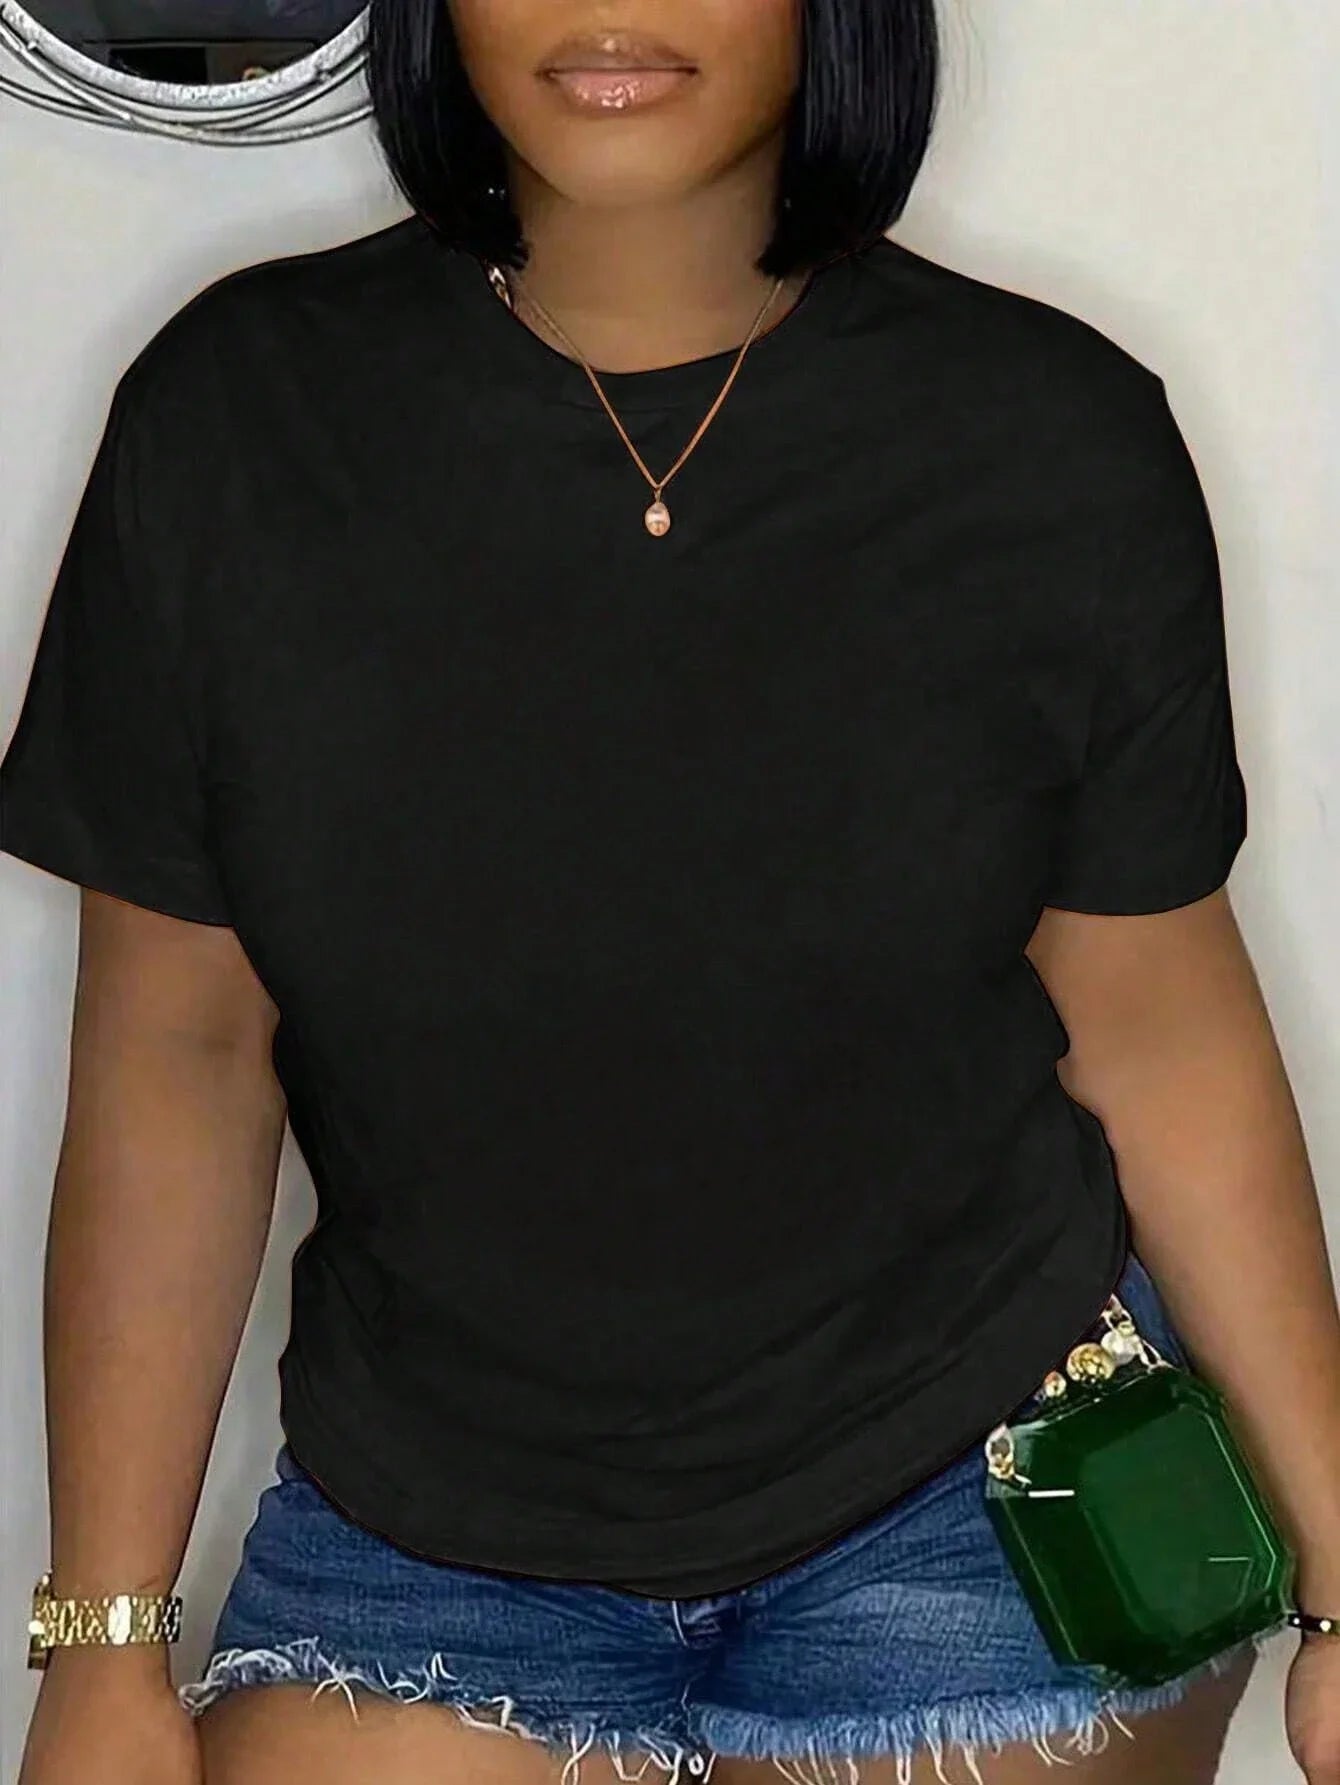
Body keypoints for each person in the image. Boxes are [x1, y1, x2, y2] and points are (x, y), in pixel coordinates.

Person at [6, 3, 1340, 1783]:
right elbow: (175, 1055)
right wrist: (99, 1642)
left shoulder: (1054, 436)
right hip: (428, 1522)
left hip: (980, 1477)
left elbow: (1159, 1019)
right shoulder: (234, 422)